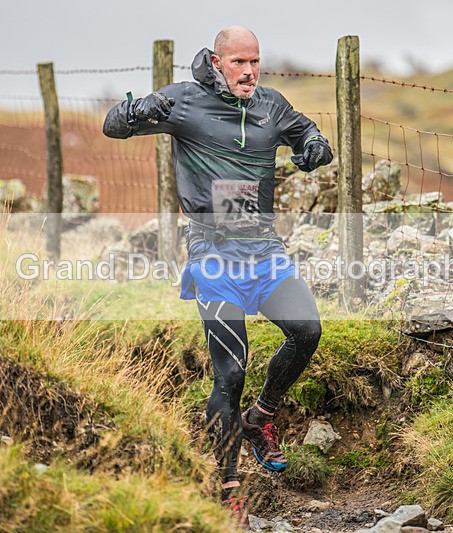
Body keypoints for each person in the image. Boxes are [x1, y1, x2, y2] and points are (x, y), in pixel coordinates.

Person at [103, 26, 332, 517]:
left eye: (255, 62)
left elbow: (308, 133)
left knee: (307, 331)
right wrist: (133, 112)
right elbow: (112, 126)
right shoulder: (184, 102)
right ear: (215, 61)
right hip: (213, 255)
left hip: (264, 252)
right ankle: (228, 490)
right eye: (238, 63)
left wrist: (315, 147)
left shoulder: (271, 104)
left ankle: (261, 417)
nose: (249, 72)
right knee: (230, 372)